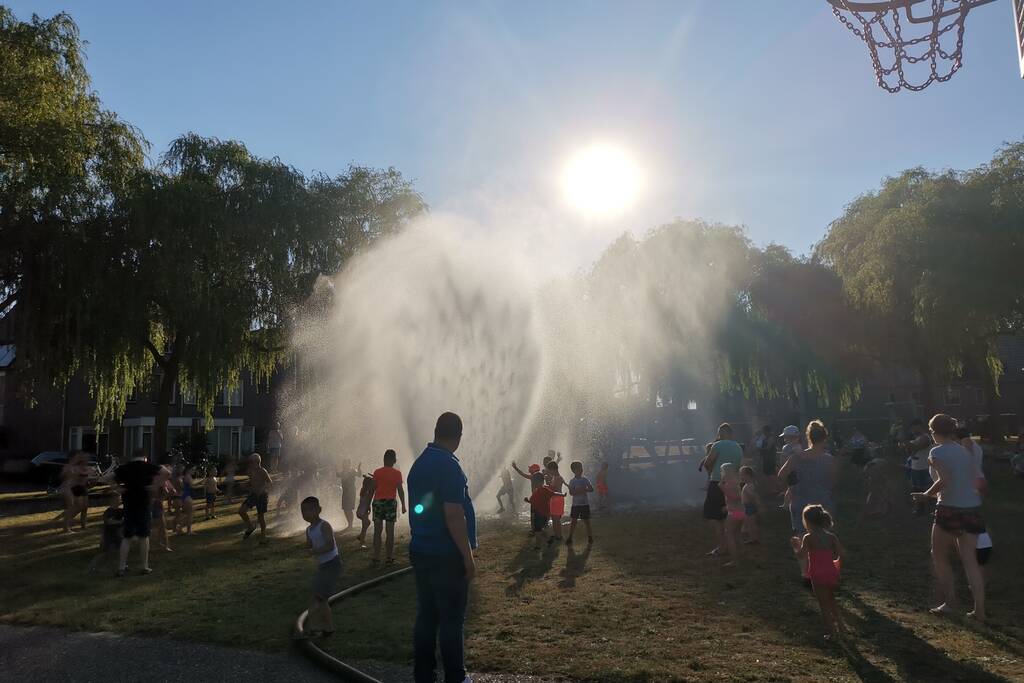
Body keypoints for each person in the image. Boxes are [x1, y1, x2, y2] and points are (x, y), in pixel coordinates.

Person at [407, 412, 477, 683]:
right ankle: (456, 677)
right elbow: (453, 514)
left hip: (421, 550)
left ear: (436, 431)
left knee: (427, 616)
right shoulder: (449, 466)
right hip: (446, 555)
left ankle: (424, 675)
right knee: (451, 619)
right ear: (458, 437)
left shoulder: (419, 463)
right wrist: (467, 557)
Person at [911, 413, 987, 621]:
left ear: (934, 432)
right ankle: (979, 609)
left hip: (949, 509)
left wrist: (926, 495)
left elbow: (944, 480)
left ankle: (951, 601)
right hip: (971, 508)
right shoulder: (964, 451)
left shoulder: (936, 452)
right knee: (970, 560)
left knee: (939, 555)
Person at [777, 420, 836, 580]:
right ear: (825, 439)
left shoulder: (797, 457)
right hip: (823, 501)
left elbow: (782, 475)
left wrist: (792, 487)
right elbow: (832, 481)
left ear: (808, 437)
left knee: (803, 536)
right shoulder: (829, 459)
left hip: (801, 501)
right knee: (824, 535)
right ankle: (824, 568)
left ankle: (806, 573)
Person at [790, 504, 846, 639]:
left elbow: (801, 555)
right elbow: (842, 554)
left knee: (823, 604)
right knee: (832, 599)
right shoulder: (831, 537)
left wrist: (795, 546)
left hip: (817, 573)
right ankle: (842, 626)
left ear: (807, 521)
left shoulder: (808, 538)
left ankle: (831, 632)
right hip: (831, 572)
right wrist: (837, 565)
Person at [114, 448, 163, 576]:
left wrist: (116, 488)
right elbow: (166, 472)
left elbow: (107, 477)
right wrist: (156, 485)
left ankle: (121, 567)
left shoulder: (125, 468)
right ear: (145, 457)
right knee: (144, 536)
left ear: (132, 457)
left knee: (127, 536)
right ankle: (144, 566)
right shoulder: (148, 466)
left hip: (129, 504)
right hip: (144, 503)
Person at [298, 496, 341, 639]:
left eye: (309, 510)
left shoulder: (324, 525)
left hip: (333, 564)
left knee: (318, 598)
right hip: (323, 566)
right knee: (320, 599)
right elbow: (309, 544)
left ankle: (315, 628)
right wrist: (307, 547)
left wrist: (314, 551)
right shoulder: (309, 530)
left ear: (319, 510)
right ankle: (326, 628)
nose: (305, 514)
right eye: (303, 511)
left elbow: (329, 545)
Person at [699, 423, 744, 557]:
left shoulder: (717, 445)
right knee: (728, 515)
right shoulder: (738, 447)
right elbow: (739, 466)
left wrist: (710, 473)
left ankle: (721, 547)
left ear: (721, 433)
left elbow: (708, 463)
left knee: (714, 516)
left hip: (718, 483)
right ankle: (731, 545)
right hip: (733, 484)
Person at [372, 449, 406, 565]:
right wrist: (403, 505)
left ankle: (376, 558)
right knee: (389, 531)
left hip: (378, 503)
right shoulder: (397, 473)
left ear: (384, 460)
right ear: (394, 460)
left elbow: (372, 490)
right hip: (390, 503)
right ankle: (389, 558)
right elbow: (400, 491)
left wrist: (366, 505)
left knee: (377, 531)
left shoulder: (377, 472)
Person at [239, 453, 272, 544]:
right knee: (241, 511)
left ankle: (263, 537)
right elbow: (252, 481)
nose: (250, 464)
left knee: (261, 516)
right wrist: (246, 485)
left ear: (257, 462)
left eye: (251, 462)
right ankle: (250, 527)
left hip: (262, 496)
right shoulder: (250, 471)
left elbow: (269, 483)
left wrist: (262, 489)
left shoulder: (262, 471)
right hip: (253, 495)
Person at [88, 493, 123, 574]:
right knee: (104, 552)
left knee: (122, 550)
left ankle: (122, 565)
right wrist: (121, 521)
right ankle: (92, 567)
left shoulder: (121, 511)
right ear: (111, 501)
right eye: (117, 499)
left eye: (120, 499)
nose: (119, 501)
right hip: (109, 535)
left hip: (118, 535)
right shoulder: (108, 511)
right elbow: (109, 522)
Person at [906, 418, 933, 515]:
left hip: (924, 468)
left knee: (927, 489)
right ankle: (920, 509)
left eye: (913, 428)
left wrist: (905, 441)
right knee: (916, 489)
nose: (912, 430)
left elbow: (915, 447)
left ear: (919, 426)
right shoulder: (916, 439)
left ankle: (932, 509)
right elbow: (909, 451)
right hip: (915, 468)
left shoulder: (925, 437)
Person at [526, 471, 560, 548]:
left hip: (539, 514)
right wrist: (562, 495)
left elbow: (532, 501)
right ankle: (548, 539)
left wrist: (527, 500)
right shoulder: (545, 489)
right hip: (545, 514)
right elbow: (554, 493)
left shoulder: (536, 491)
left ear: (536, 482)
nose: (533, 484)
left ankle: (538, 546)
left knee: (537, 531)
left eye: (534, 482)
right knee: (541, 530)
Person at [719, 463, 744, 567]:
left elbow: (736, 497)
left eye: (721, 471)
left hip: (733, 512)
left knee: (729, 536)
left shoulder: (729, 484)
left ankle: (735, 560)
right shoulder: (736, 481)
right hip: (740, 512)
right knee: (737, 535)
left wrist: (723, 489)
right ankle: (741, 556)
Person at [566, 460, 594, 545]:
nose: (581, 470)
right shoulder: (572, 481)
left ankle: (590, 537)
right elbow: (571, 493)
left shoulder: (585, 479)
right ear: (574, 470)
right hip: (576, 504)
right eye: (579, 468)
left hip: (584, 504)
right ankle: (570, 537)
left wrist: (584, 489)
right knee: (573, 521)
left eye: (581, 468)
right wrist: (577, 491)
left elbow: (591, 489)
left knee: (587, 521)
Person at [777, 425, 802, 504]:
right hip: (791, 472)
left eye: (786, 437)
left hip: (794, 472)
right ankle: (787, 504)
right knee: (791, 489)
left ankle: (787, 505)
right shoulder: (787, 447)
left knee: (792, 489)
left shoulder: (796, 447)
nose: (785, 439)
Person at [337, 459, 362, 531]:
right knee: (345, 508)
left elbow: (359, 475)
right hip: (345, 492)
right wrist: (335, 468)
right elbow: (337, 474)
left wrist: (359, 468)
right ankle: (349, 524)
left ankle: (350, 525)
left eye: (346, 463)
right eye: (344, 464)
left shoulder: (352, 471)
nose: (344, 465)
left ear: (349, 464)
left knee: (349, 508)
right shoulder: (343, 472)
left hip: (351, 492)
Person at [545, 460, 566, 542]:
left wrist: (548, 488)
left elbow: (556, 490)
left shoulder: (558, 478)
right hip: (554, 499)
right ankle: (556, 534)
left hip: (558, 500)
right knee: (554, 518)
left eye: (549, 470)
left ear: (553, 469)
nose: (549, 472)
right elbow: (552, 488)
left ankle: (559, 536)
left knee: (556, 519)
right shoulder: (554, 477)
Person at [739, 465, 760, 544]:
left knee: (752, 524)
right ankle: (753, 537)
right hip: (747, 506)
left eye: (742, 475)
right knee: (750, 523)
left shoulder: (749, 485)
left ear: (748, 475)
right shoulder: (748, 485)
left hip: (749, 506)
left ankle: (754, 538)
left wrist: (749, 495)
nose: (740, 477)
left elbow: (753, 496)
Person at [174, 463, 195, 535]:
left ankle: (179, 529)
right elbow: (191, 486)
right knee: (190, 514)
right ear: (188, 470)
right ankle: (188, 531)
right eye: (193, 469)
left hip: (184, 496)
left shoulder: (183, 477)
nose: (194, 471)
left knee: (186, 514)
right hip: (187, 496)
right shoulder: (188, 476)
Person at [355, 474, 375, 548]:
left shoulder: (363, 490)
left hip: (360, 511)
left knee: (367, 523)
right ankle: (361, 543)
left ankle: (360, 537)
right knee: (364, 527)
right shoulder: (368, 492)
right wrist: (368, 507)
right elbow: (368, 501)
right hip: (363, 511)